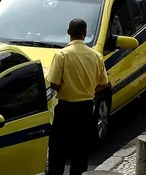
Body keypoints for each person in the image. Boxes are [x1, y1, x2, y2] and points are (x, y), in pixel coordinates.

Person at [47, 19, 108, 175]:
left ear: (68, 32)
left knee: (57, 151)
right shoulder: (96, 56)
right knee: (80, 153)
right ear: (85, 33)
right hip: (86, 109)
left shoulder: (61, 55)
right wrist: (88, 87)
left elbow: (53, 83)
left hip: (65, 109)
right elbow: (103, 84)